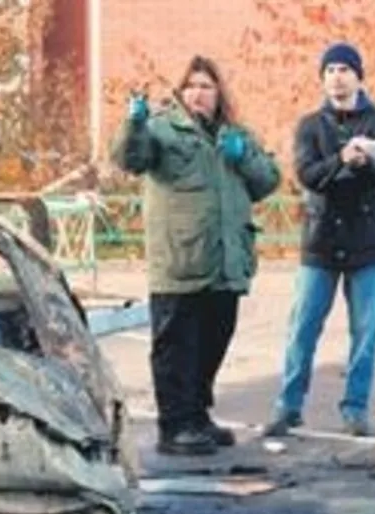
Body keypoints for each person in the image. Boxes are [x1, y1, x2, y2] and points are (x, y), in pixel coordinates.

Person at [112, 56, 281, 455]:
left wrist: (244, 156)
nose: (198, 93)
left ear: (218, 92)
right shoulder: (162, 130)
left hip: (225, 261)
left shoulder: (234, 134)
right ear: (180, 92)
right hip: (180, 259)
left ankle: (198, 416)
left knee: (213, 340)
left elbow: (268, 181)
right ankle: (174, 427)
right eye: (190, 86)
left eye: (206, 86)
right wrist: (133, 123)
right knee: (176, 348)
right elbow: (130, 158)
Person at [263, 42, 375, 438]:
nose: (337, 77)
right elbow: (308, 175)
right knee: (303, 326)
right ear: (322, 79)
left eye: (344, 69)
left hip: (368, 239)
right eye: (330, 70)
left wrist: (366, 162)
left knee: (365, 330)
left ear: (359, 76)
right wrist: (341, 160)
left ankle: (355, 408)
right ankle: (288, 405)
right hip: (321, 240)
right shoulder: (310, 125)